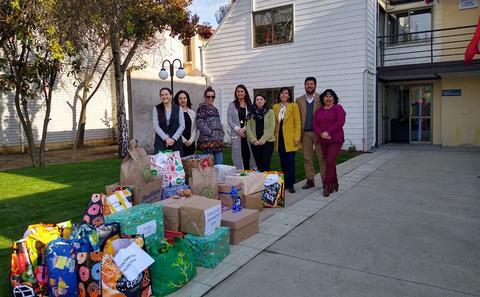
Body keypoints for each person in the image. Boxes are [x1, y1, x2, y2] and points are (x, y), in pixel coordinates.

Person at [313, 89, 346, 197]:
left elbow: (340, 122)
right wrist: (321, 133)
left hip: (335, 139)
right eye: (326, 96)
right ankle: (335, 182)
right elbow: (315, 124)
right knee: (329, 162)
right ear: (322, 98)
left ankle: (326, 185)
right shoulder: (319, 111)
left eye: (330, 96)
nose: (328, 98)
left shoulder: (338, 108)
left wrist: (328, 132)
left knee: (330, 161)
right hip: (323, 140)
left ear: (334, 98)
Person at [296, 77, 325, 189]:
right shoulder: (299, 100)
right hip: (305, 134)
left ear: (315, 85)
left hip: (318, 133)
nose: (309, 86)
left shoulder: (321, 98)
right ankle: (310, 180)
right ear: (304, 86)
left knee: (322, 157)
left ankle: (324, 180)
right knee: (307, 158)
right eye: (307, 84)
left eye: (311, 84)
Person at [273, 87, 301, 193]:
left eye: (286, 93)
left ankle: (291, 184)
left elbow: (297, 122)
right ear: (279, 95)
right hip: (279, 139)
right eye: (282, 93)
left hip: (291, 139)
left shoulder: (293, 106)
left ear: (289, 96)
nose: (284, 95)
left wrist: (297, 137)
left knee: (290, 162)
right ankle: (285, 183)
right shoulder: (275, 107)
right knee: (283, 162)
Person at [227, 84, 256, 170]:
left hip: (248, 133)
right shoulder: (232, 105)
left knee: (249, 154)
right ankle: (240, 173)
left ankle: (251, 172)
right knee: (238, 154)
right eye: (238, 91)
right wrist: (239, 130)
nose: (239, 93)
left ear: (245, 93)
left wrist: (245, 129)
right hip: (236, 134)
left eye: (241, 91)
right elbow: (229, 120)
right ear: (236, 93)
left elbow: (252, 120)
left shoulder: (250, 105)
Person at [246, 93, 275, 172]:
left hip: (267, 142)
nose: (259, 101)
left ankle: (267, 183)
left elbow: (271, 128)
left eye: (261, 99)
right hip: (255, 143)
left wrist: (262, 140)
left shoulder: (270, 112)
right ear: (255, 102)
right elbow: (248, 128)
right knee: (259, 166)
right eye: (257, 99)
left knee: (265, 165)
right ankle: (260, 183)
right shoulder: (251, 113)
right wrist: (254, 140)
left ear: (265, 101)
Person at [196, 86, 225, 164]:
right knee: (208, 168)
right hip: (207, 143)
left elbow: (218, 123)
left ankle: (218, 177)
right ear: (205, 97)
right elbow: (200, 124)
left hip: (218, 143)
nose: (210, 98)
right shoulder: (201, 109)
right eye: (208, 96)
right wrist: (211, 133)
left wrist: (221, 133)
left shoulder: (215, 109)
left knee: (219, 166)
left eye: (213, 97)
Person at [152, 87, 185, 154]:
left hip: (176, 142)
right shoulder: (156, 108)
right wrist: (166, 138)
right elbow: (156, 126)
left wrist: (173, 139)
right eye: (162, 95)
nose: (164, 96)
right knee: (161, 163)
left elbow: (182, 125)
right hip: (161, 142)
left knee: (176, 163)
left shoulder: (178, 108)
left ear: (171, 95)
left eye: (166, 94)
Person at [173, 90, 196, 157]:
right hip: (179, 143)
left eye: (184, 98)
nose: (183, 100)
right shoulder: (175, 113)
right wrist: (184, 141)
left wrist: (191, 140)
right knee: (180, 164)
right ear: (177, 100)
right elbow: (175, 128)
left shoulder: (192, 112)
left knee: (190, 164)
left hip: (191, 143)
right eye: (180, 98)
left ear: (187, 99)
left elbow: (195, 128)